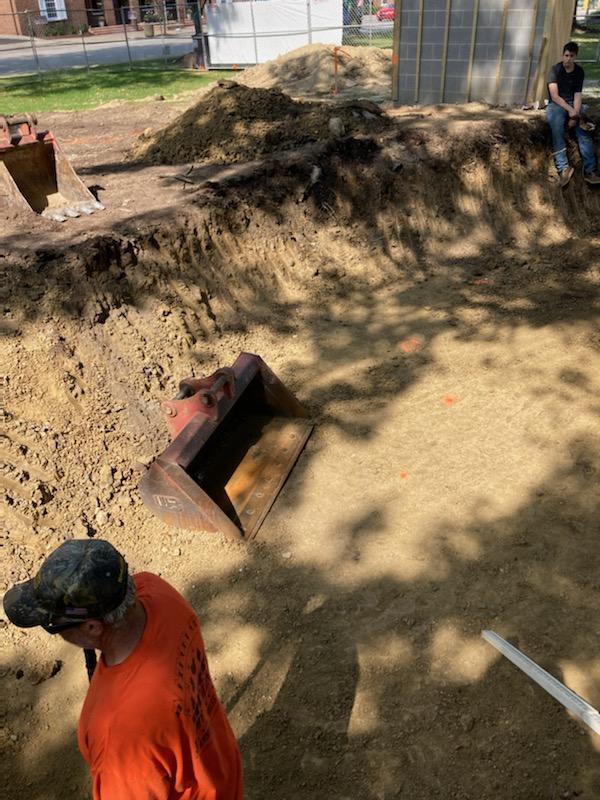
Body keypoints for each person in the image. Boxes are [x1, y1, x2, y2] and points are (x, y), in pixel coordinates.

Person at [3, 538, 243, 800]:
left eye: (52, 625)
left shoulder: (119, 737)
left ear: (93, 627)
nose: (53, 631)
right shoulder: (156, 591)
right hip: (221, 770)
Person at [546, 41, 600, 188]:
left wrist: (575, 114)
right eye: (566, 55)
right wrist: (570, 111)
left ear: (575, 56)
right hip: (557, 104)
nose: (568, 59)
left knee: (584, 131)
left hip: (573, 104)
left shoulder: (579, 72)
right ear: (563, 55)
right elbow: (555, 96)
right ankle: (563, 168)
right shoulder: (555, 70)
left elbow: (577, 95)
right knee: (557, 128)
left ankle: (590, 170)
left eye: (571, 56)